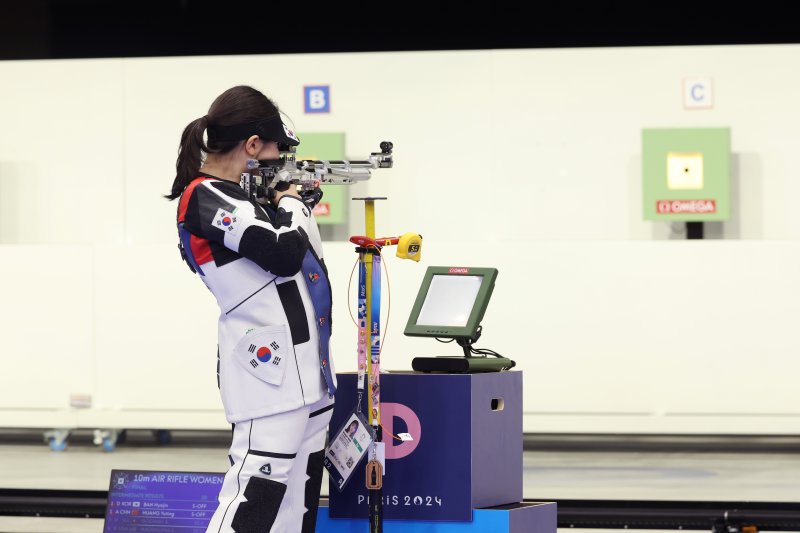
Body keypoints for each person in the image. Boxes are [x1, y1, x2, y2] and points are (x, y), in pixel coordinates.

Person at [165, 85, 336, 533]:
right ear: (253, 145)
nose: (278, 160)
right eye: (275, 150)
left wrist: (292, 205)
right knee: (254, 497)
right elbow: (282, 253)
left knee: (296, 501)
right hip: (271, 372)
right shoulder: (204, 196)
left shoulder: (240, 198)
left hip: (305, 371)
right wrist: (293, 201)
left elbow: (300, 255)